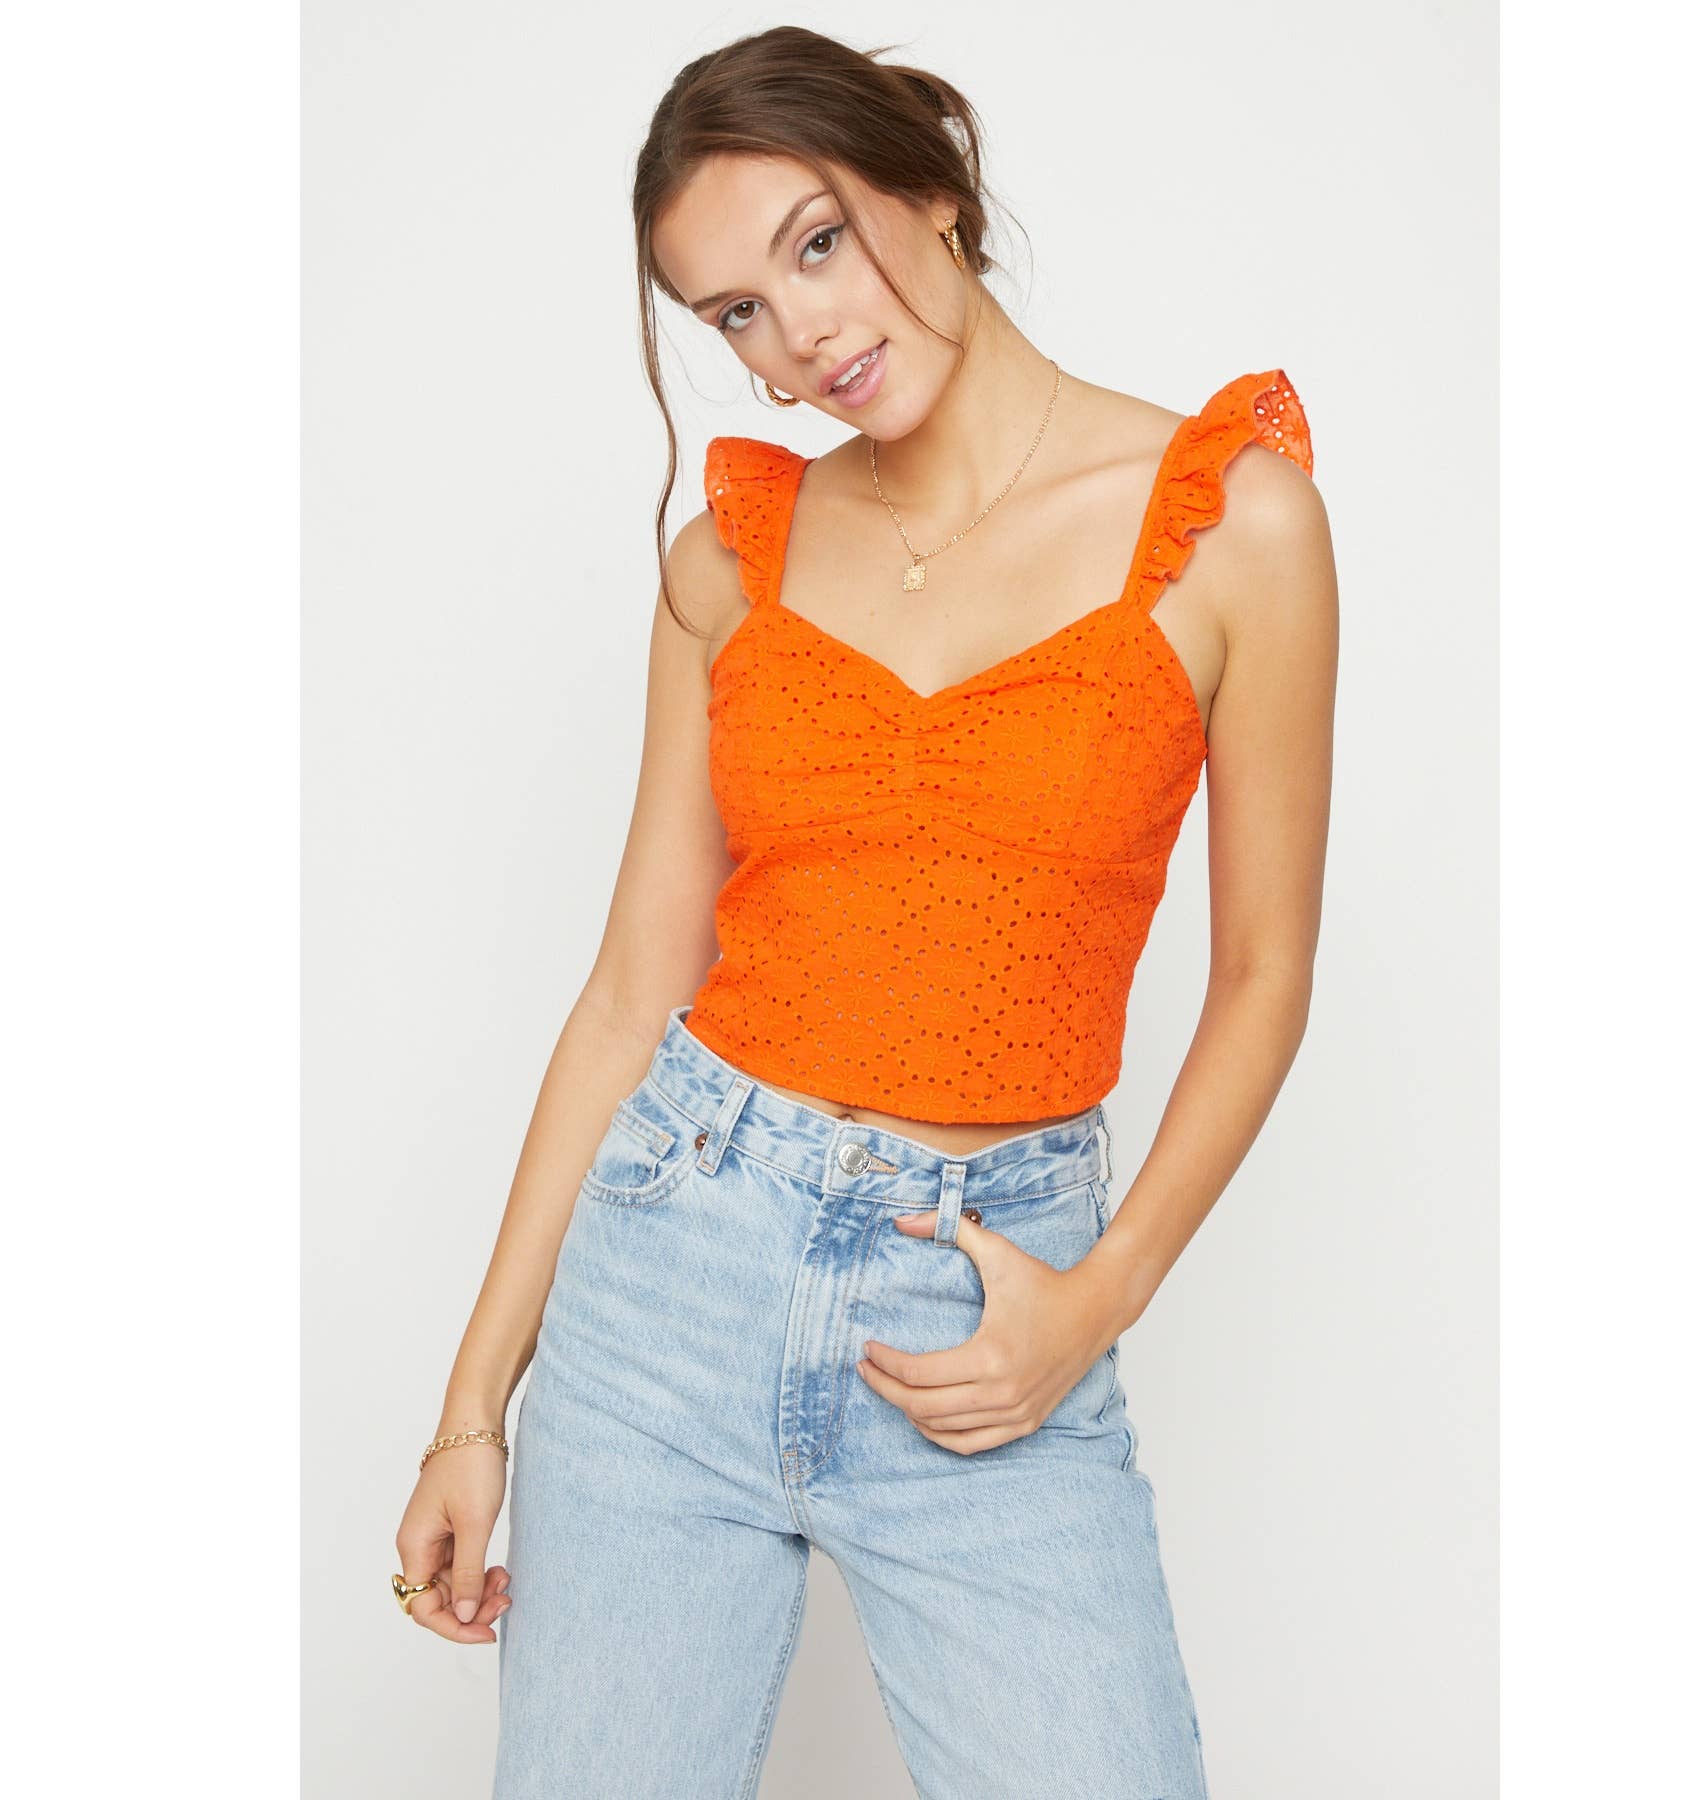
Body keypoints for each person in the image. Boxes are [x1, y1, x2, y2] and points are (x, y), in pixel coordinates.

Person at [392, 24, 1337, 1798]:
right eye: (737, 313)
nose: (800, 339)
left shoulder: (1233, 527)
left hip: (988, 1301)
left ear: (935, 187)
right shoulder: (730, 564)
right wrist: (470, 1413)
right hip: (667, 1291)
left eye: (816, 244)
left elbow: (1267, 975)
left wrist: (1098, 1298)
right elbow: (629, 998)